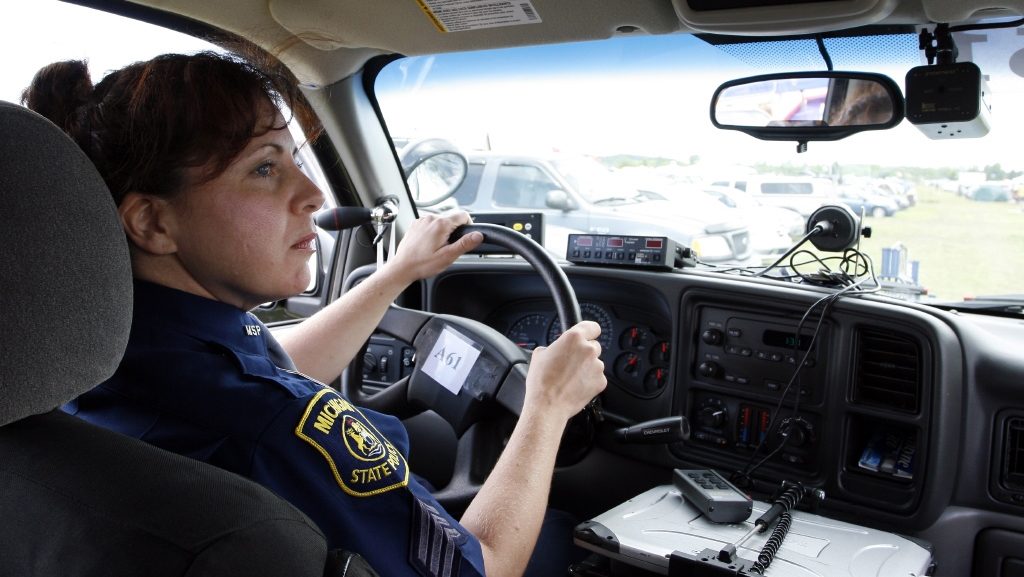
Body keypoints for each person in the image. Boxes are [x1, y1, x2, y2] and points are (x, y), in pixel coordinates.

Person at [23, 52, 607, 577]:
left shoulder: (99, 363)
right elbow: (485, 569)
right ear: (153, 222)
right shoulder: (269, 431)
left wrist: (396, 273)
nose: (314, 195)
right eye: (264, 168)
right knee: (570, 535)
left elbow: (275, 372)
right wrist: (547, 405)